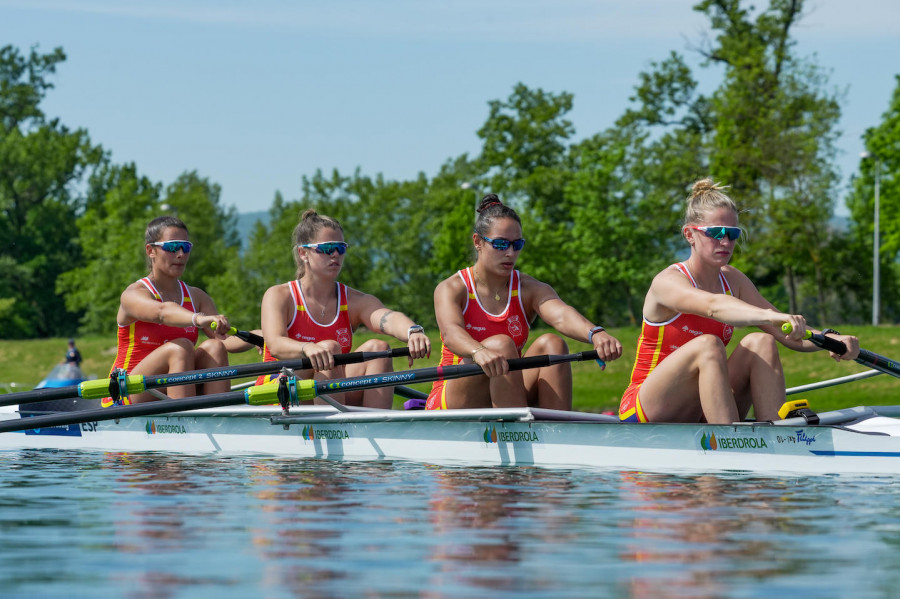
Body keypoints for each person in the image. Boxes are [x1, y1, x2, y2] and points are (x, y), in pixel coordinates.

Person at [619, 178, 860, 425]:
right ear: (690, 234)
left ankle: (778, 437)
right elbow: (713, 306)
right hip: (643, 408)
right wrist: (769, 315)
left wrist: (831, 339)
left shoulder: (734, 280)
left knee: (762, 341)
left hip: (699, 407)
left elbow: (787, 334)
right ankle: (729, 443)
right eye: (716, 233)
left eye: (733, 234)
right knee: (708, 346)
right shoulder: (667, 282)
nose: (726, 242)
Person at [427, 194, 623, 411]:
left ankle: (556, 434)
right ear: (478, 242)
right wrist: (478, 351)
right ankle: (516, 434)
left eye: (517, 244)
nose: (510, 253)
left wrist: (595, 333)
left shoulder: (528, 288)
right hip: (454, 397)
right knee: (500, 344)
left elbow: (561, 315)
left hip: (505, 386)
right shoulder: (453, 288)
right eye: (501, 244)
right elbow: (451, 333)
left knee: (553, 344)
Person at [259, 209, 432, 409]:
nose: (335, 254)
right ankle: (333, 431)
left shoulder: (352, 300)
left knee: (379, 349)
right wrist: (307, 348)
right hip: (280, 388)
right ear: (303, 253)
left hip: (327, 385)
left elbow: (386, 317)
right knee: (330, 348)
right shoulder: (279, 295)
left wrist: (413, 332)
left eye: (341, 248)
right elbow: (276, 344)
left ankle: (376, 429)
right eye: (327, 248)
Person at [109, 215, 235, 404]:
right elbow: (161, 312)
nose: (180, 254)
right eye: (172, 247)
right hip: (127, 392)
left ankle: (220, 421)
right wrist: (197, 319)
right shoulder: (133, 294)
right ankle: (186, 420)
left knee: (214, 347)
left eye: (186, 247)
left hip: (170, 386)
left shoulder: (197, 296)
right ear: (151, 251)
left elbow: (225, 341)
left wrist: (266, 339)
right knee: (181, 347)